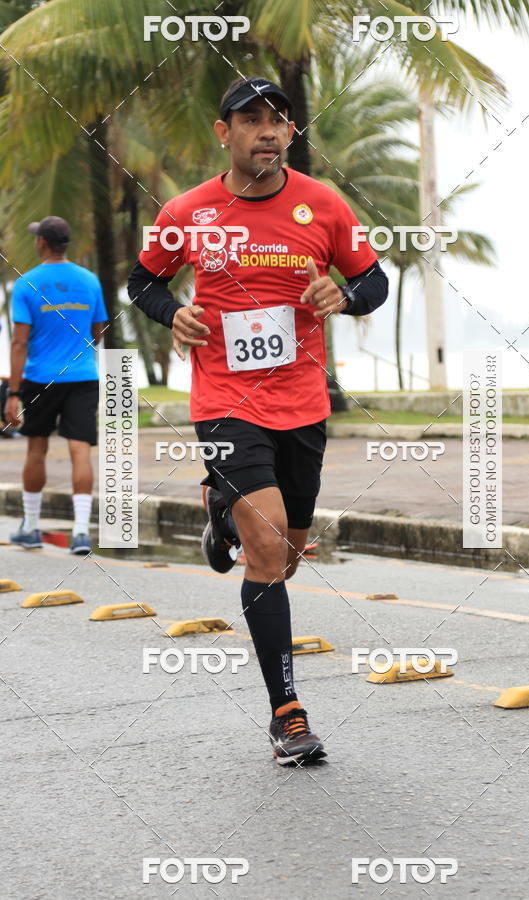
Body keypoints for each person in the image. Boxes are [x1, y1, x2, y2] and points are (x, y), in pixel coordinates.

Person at [128, 76, 388, 764]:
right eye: (252, 120)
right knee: (268, 550)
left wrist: (347, 293)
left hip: (301, 404)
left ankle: (218, 507)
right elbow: (142, 281)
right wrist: (170, 312)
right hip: (223, 402)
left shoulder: (323, 205)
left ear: (289, 134)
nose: (268, 131)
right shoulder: (189, 212)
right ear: (226, 134)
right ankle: (288, 714)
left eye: (279, 120)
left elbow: (375, 279)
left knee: (291, 554)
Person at [5, 216, 108, 554]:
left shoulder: (26, 284)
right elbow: (98, 331)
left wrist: (14, 393)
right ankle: (80, 533)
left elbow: (19, 343)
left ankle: (31, 527)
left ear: (42, 243)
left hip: (40, 379)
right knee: (80, 451)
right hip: (82, 377)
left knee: (37, 449)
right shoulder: (90, 280)